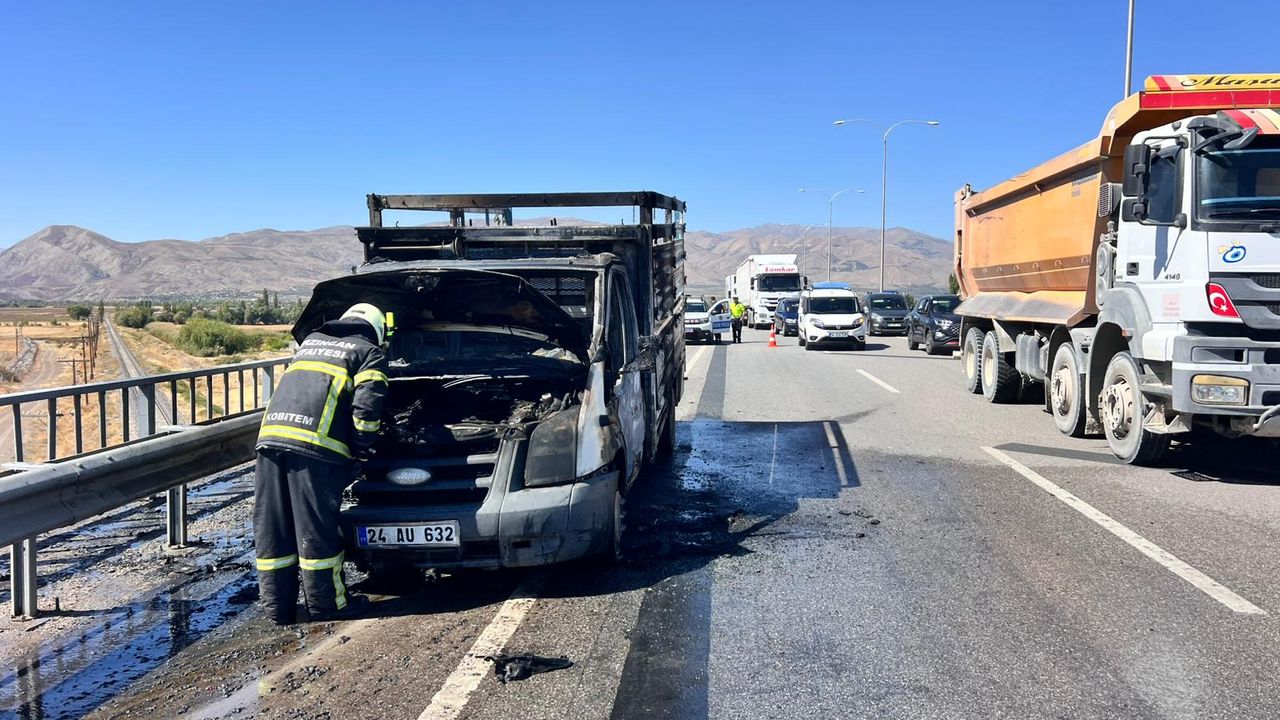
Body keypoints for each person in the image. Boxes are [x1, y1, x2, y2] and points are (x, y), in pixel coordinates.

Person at [254, 303, 390, 625]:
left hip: (270, 441)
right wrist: (362, 448)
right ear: (377, 329)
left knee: (275, 529)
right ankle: (327, 605)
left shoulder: (311, 343)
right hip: (315, 449)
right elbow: (367, 413)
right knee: (315, 529)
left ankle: (278, 610)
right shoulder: (368, 353)